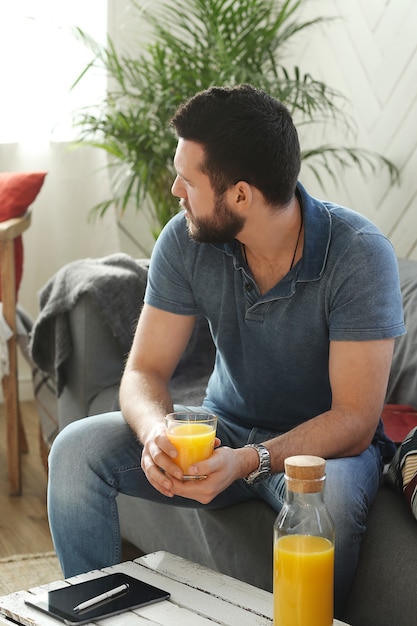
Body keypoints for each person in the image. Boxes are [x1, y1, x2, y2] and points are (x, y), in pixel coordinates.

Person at [48, 84, 405, 617]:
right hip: (225, 428)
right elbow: (144, 370)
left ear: (241, 195)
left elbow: (355, 419)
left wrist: (248, 462)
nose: (174, 190)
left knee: (323, 498)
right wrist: (156, 435)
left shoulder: (359, 256)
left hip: (321, 453)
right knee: (75, 452)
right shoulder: (185, 241)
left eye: (188, 181)